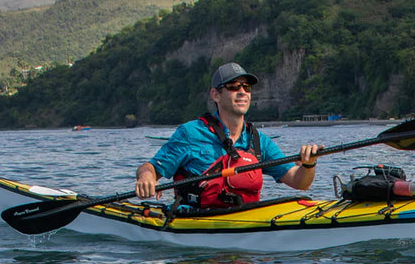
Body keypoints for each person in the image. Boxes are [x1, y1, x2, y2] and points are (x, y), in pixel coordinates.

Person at [135, 62, 321, 207]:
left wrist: (308, 165)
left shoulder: (258, 141)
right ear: (216, 95)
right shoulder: (190, 134)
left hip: (244, 223)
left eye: (246, 87)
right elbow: (149, 168)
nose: (242, 92)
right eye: (233, 87)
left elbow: (299, 182)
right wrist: (146, 178)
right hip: (197, 223)